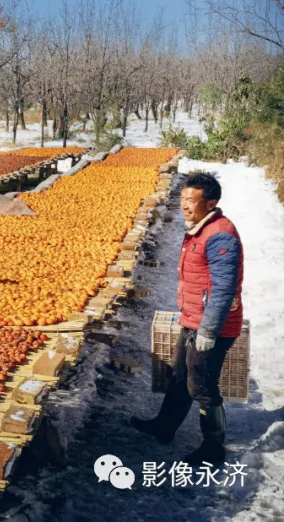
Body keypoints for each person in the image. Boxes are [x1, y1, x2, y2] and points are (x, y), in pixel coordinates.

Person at [131, 171, 243, 465]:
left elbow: (223, 288)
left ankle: (214, 446)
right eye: (182, 199)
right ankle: (164, 426)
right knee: (179, 377)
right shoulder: (199, 228)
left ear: (211, 202)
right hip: (193, 319)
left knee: (202, 386)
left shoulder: (221, 234)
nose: (184, 205)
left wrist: (208, 330)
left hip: (212, 327)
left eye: (191, 200)